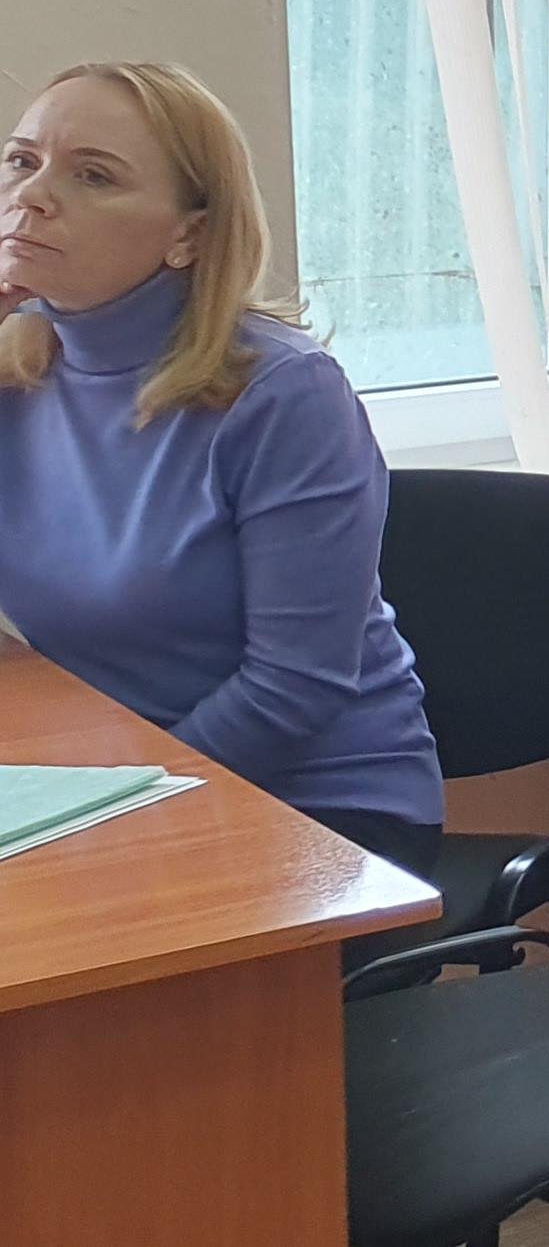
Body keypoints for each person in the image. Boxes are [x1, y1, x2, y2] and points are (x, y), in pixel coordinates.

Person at [0, 63, 442, 873]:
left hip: (317, 807)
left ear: (191, 236)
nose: (32, 195)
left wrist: (114, 816)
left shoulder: (281, 391)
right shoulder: (18, 370)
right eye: (22, 160)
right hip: (119, 776)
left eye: (93, 176)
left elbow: (294, 687)